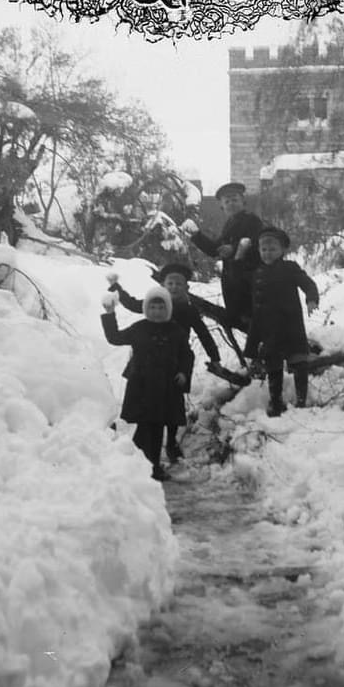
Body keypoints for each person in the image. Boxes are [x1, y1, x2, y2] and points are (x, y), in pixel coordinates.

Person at [106, 263, 221, 461]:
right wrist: (117, 289)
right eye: (170, 283)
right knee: (152, 410)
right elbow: (132, 304)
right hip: (149, 364)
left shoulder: (188, 310)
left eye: (179, 284)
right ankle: (146, 453)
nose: (174, 287)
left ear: (186, 287)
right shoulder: (154, 303)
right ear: (163, 285)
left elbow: (203, 333)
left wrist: (215, 357)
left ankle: (171, 443)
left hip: (176, 362)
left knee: (173, 408)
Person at [101, 285, 192, 481]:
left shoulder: (176, 331)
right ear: (146, 309)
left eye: (161, 308)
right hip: (141, 387)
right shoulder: (139, 328)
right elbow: (115, 338)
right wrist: (109, 314)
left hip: (166, 388)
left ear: (168, 309)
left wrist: (183, 373)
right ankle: (146, 466)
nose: (157, 312)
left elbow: (186, 355)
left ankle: (145, 466)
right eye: (152, 307)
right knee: (147, 426)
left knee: (155, 427)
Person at [245, 226, 319, 417]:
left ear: (282, 250)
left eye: (273, 249)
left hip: (291, 324)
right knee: (273, 366)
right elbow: (255, 303)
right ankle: (276, 402)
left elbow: (308, 284)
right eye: (264, 249)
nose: (268, 253)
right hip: (269, 328)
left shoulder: (290, 268)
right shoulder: (257, 273)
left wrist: (311, 299)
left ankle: (301, 400)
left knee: (299, 361)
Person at [183, 182, 263, 330]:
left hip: (249, 283)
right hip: (232, 284)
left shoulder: (252, 221)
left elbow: (259, 244)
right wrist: (196, 235)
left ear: (243, 201)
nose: (231, 204)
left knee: (254, 325)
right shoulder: (229, 224)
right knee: (242, 324)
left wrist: (234, 249)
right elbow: (215, 250)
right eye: (227, 201)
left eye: (235, 199)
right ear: (222, 207)